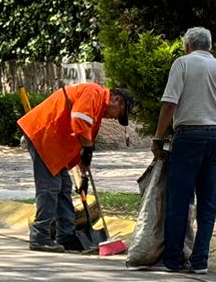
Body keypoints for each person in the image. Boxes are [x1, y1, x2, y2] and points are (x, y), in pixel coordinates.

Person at [151, 27, 216, 273]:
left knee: (179, 200)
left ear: (187, 46)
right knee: (208, 204)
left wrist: (158, 137)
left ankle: (173, 259)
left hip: (188, 136)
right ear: (210, 46)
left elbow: (169, 104)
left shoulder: (182, 64)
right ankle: (200, 261)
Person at [17, 81, 133, 251]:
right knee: (50, 187)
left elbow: (82, 139)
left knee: (64, 186)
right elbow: (79, 121)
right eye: (119, 114)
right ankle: (39, 236)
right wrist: (88, 150)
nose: (115, 118)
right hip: (45, 135)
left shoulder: (98, 107)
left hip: (54, 141)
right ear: (116, 99)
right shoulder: (94, 92)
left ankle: (66, 236)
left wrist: (83, 169)